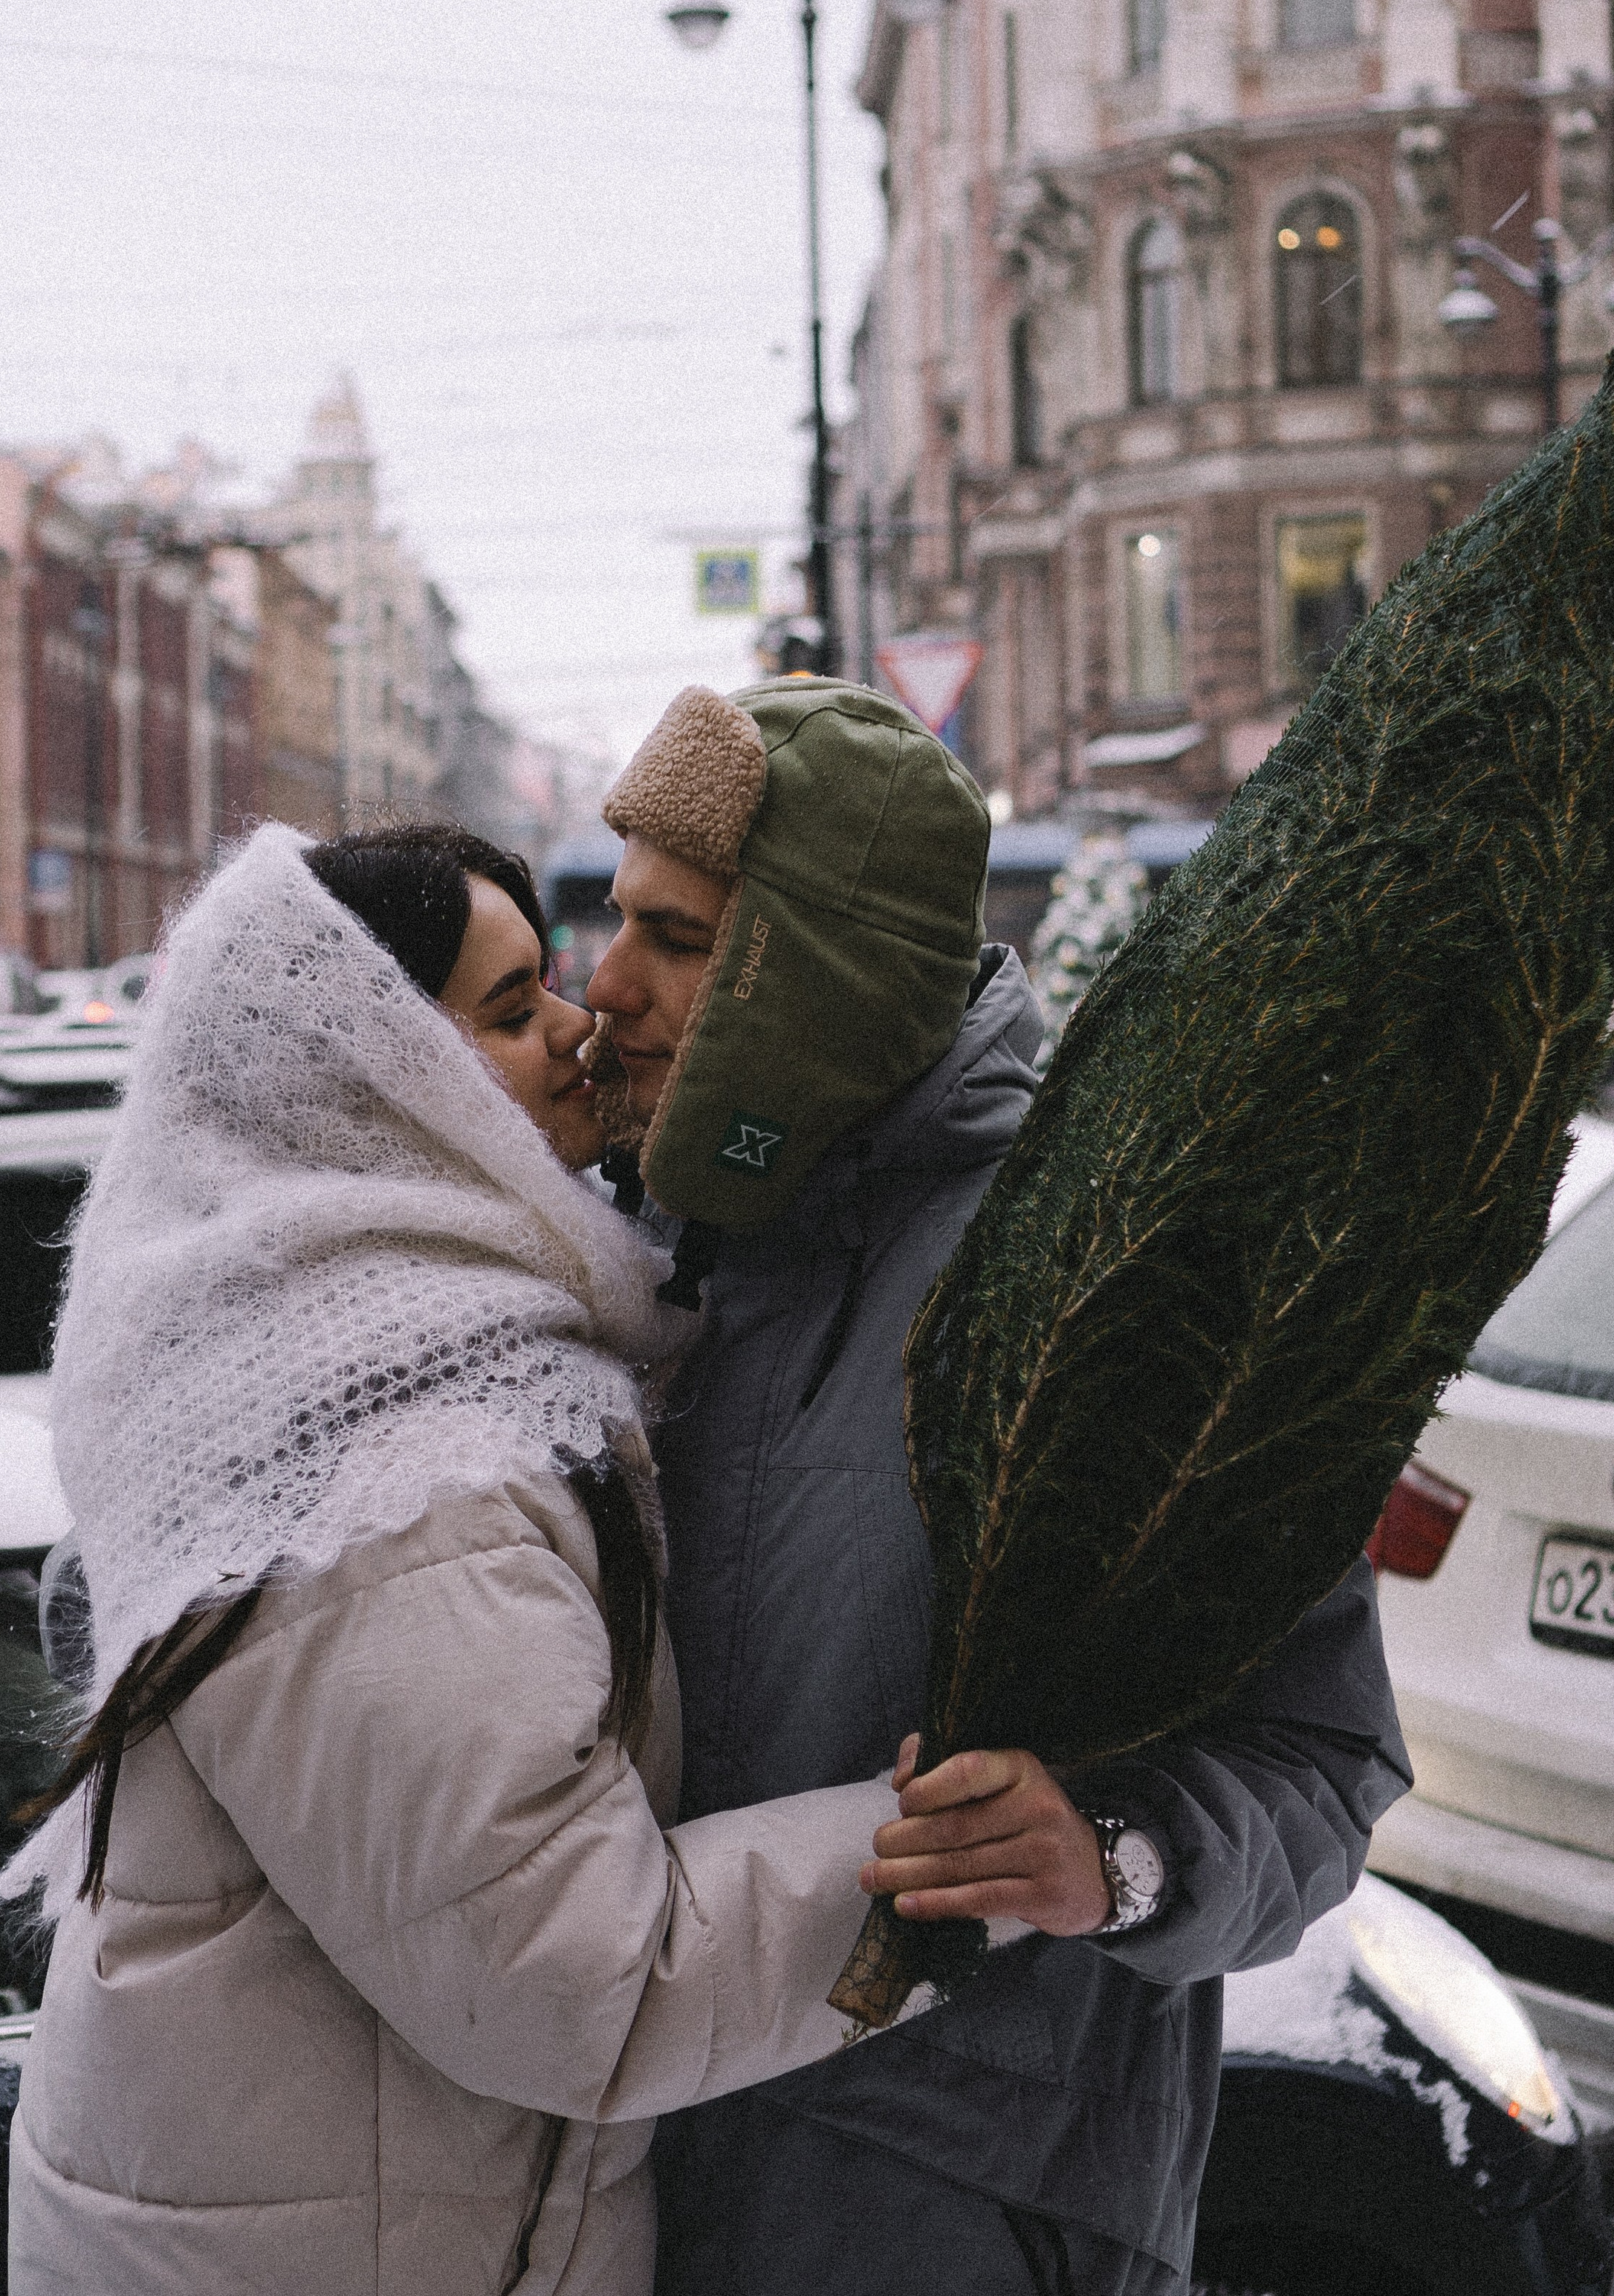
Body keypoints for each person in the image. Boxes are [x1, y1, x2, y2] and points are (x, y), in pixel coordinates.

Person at [4, 819, 1078, 2296]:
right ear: (381, 1086)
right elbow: (577, 1985)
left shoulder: (396, 1334)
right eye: (512, 1012)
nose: (584, 1026)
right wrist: (967, 1868)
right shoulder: (388, 1462)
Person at [583, 681, 1413, 2296]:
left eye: (677, 940)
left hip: (951, 2198)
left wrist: (1111, 1855)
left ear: (812, 972)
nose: (605, 986)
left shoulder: (1109, 1275)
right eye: (621, 925)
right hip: (630, 2188)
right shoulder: (655, 1247)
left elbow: (1321, 1753)